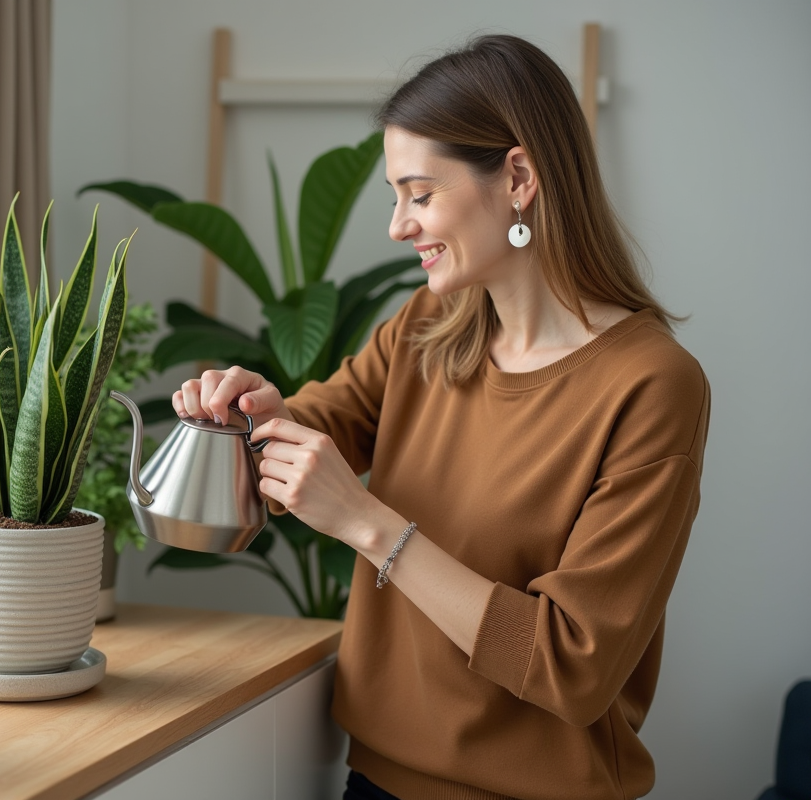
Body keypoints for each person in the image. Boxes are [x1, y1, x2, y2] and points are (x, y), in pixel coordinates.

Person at [171, 35, 710, 800]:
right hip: (375, 781)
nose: (398, 225)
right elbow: (322, 422)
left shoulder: (653, 385)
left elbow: (573, 663)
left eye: (420, 195)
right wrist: (248, 411)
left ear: (518, 177)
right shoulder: (430, 323)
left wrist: (369, 525)